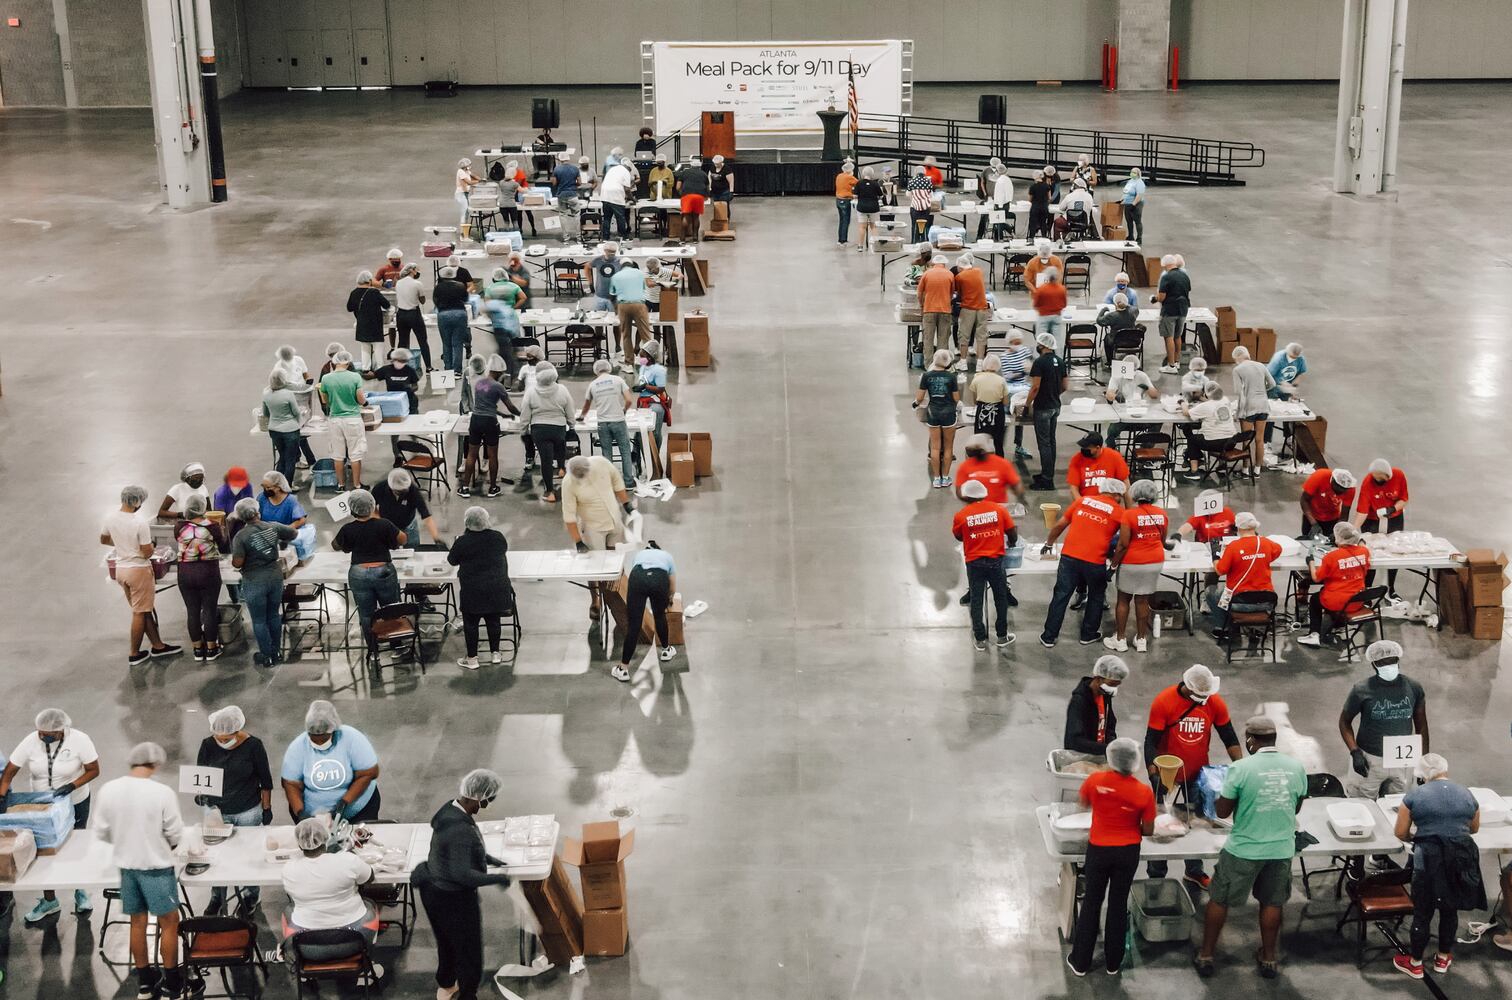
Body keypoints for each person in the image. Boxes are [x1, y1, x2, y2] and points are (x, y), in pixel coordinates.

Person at [1192, 716, 1308, 980]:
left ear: (1250, 741)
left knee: (1220, 899)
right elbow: (1297, 806)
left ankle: (1206, 955)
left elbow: (1222, 810)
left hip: (1244, 849)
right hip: (1280, 849)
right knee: (1272, 902)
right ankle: (1268, 958)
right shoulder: (1295, 767)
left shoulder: (1241, 768)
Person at [93, 742, 185, 1000]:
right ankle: (173, 984)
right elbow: (175, 832)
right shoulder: (162, 792)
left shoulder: (109, 790)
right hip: (156, 868)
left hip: (127, 868)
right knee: (169, 924)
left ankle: (145, 982)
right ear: (155, 764)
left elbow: (100, 829)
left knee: (137, 923)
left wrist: (125, 841)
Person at [413, 770, 510, 1000]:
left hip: (434, 892)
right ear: (475, 796)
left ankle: (446, 983)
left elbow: (459, 853)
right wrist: (499, 879)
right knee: (468, 950)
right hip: (453, 899)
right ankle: (468, 994)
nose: (486, 806)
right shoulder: (460, 829)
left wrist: (490, 859)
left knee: (446, 941)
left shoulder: (449, 810)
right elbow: (463, 875)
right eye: (486, 800)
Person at [1143, 664, 1243, 886]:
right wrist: (1154, 775)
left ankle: (1194, 871)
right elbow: (1150, 742)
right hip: (1167, 774)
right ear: (1188, 688)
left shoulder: (1213, 701)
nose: (1205, 699)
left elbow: (1230, 737)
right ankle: (1157, 874)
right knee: (1162, 825)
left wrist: (1243, 769)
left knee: (1198, 822)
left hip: (1198, 773)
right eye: (1201, 696)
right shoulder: (1164, 701)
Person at [0, 708, 100, 922]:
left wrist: (72, 785)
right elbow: (10, 770)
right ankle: (49, 900)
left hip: (75, 800)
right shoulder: (31, 741)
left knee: (75, 847)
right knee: (43, 850)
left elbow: (93, 769)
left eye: (47, 733)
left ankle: (80, 890)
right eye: (39, 732)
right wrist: (1, 795)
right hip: (43, 805)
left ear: (60, 731)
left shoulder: (80, 740)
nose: (41, 736)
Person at [1067, 737, 1155, 977]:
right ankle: (1113, 963)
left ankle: (1081, 962)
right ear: (1134, 763)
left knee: (1092, 903)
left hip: (1098, 850)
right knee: (1117, 904)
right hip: (1127, 853)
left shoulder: (1095, 781)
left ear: (1111, 758)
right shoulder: (1143, 792)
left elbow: (1082, 805)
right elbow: (1148, 830)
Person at [1391, 754, 1483, 979]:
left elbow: (1400, 832)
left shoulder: (1413, 796)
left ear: (1421, 777)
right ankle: (1443, 958)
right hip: (1461, 855)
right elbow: (1474, 828)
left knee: (1423, 912)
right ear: (1446, 771)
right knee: (1449, 909)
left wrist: (1420, 836)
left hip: (1429, 858)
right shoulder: (1467, 793)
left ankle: (1415, 963)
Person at [278, 817, 383, 983]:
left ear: (299, 844)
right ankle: (366, 968)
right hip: (355, 939)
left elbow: (293, 896)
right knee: (370, 905)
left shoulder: (289, 869)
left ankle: (299, 966)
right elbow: (369, 877)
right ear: (326, 838)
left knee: (289, 910)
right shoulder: (346, 860)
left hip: (307, 946)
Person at [195, 706, 273, 915]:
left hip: (247, 810)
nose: (221, 742)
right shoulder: (207, 745)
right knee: (216, 855)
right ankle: (216, 897)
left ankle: (250, 895)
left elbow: (265, 780)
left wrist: (266, 808)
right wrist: (201, 795)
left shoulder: (253, 746)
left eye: (226, 738)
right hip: (216, 812)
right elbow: (201, 777)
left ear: (237, 731)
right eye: (218, 738)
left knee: (249, 855)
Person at [1040, 479, 1126, 648]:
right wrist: (1113, 566)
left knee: (1061, 595)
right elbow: (1123, 543)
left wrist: (1049, 543)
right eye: (1120, 496)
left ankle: (1049, 636)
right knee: (1096, 596)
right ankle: (1088, 634)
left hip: (1069, 557)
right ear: (1116, 495)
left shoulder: (1081, 501)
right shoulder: (1119, 512)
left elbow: (1060, 525)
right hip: (1095, 561)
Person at [101, 485, 181, 665]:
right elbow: (146, 553)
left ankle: (158, 646)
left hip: (121, 570)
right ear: (137, 502)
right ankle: (134, 653)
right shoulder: (139, 522)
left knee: (144, 610)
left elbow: (104, 539)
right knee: (139, 612)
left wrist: (123, 545)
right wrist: (148, 547)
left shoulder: (110, 517)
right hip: (138, 571)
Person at [1339, 639, 1428, 798]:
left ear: (1398, 661)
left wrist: (1423, 762)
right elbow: (1344, 722)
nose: (1388, 667)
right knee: (1363, 801)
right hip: (1370, 759)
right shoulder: (1361, 690)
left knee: (1396, 802)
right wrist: (1355, 752)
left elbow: (1422, 727)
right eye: (1382, 663)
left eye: (1392, 662)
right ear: (1374, 665)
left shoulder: (1413, 687)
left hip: (1401, 759)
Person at [281, 701, 381, 823]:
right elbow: (290, 784)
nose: (319, 743)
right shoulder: (298, 747)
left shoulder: (352, 739)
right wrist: (301, 813)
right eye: (314, 738)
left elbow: (369, 773)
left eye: (324, 738)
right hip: (314, 816)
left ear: (333, 730)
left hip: (357, 810)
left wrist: (345, 802)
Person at [332, 489, 404, 655]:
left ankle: (373, 649)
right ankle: (396, 646)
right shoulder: (384, 524)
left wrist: (347, 535)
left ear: (351, 509)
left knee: (366, 614)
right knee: (391, 609)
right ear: (372, 506)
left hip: (358, 573)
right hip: (383, 571)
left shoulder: (347, 529)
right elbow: (403, 538)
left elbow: (335, 545)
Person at [230, 496, 297, 666]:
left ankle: (266, 655)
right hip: (274, 576)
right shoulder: (272, 526)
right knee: (274, 615)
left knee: (259, 620)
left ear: (240, 516)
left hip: (254, 579)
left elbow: (237, 562)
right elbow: (293, 533)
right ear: (257, 511)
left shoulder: (241, 536)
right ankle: (277, 652)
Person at [952, 479, 1018, 650]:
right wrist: (1011, 543)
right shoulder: (999, 510)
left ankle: (980, 639)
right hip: (996, 561)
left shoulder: (961, 515)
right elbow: (1012, 532)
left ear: (966, 497)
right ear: (984, 494)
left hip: (974, 562)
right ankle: (1002, 636)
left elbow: (959, 536)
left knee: (976, 599)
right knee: (1000, 598)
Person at [1105, 480, 1168, 653]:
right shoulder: (1162, 515)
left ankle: (1120, 639)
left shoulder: (1129, 515)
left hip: (1132, 562)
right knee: (1143, 600)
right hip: (1154, 562)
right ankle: (1141, 639)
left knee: (1123, 600)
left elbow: (1123, 544)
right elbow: (1162, 541)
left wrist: (1113, 566)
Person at [448, 507, 512, 670]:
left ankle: (472, 659)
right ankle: (495, 654)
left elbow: (452, 561)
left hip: (473, 591)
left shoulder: (462, 542)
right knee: (493, 621)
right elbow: (502, 550)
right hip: (496, 589)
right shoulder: (498, 537)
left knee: (471, 624)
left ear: (467, 523)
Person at [1297, 521, 1372, 649]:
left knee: (1316, 599)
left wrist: (1310, 562)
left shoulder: (1331, 557)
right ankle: (1337, 625)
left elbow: (1316, 578)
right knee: (1325, 592)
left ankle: (1314, 634)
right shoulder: (1363, 552)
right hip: (1357, 601)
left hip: (1336, 602)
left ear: (1337, 538)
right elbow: (1363, 546)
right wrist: (1361, 541)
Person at [1209, 512, 1282, 642]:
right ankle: (1254, 627)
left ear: (1238, 528)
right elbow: (1278, 550)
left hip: (1239, 602)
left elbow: (1220, 570)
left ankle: (1223, 628)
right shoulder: (1265, 543)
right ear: (1255, 527)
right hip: (1266, 602)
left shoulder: (1233, 547)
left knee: (1211, 591)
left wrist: (1215, 555)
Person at [458, 354, 519, 499]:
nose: (503, 375)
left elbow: (484, 405)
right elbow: (511, 407)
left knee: (471, 454)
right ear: (497, 372)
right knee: (492, 456)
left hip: (476, 421)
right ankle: (492, 488)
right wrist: (522, 415)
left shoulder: (480, 384)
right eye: (502, 373)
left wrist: (502, 415)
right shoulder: (498, 386)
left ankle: (465, 487)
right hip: (490, 423)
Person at [615, 543, 679, 681]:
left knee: (634, 625)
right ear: (659, 549)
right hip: (659, 578)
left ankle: (623, 668)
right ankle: (666, 650)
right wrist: (669, 599)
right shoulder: (667, 556)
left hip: (639, 577)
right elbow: (672, 587)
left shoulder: (639, 555)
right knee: (659, 616)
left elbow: (635, 574)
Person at [176, 494, 227, 662]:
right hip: (208, 572)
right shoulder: (212, 527)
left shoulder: (179, 527)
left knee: (192, 611)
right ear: (203, 508)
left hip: (185, 572)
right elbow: (223, 544)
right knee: (209, 610)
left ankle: (198, 649)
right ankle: (212, 648)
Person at [1352, 459, 1410, 595]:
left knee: (1394, 551)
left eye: (1382, 478)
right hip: (1372, 520)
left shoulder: (1399, 475)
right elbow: (1362, 512)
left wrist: (1393, 508)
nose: (1378, 480)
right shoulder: (1368, 483)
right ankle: (1367, 589)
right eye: (1376, 478)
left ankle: (1391, 588)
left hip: (1394, 517)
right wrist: (1353, 530)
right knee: (1370, 554)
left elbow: (1404, 499)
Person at [520, 364, 575, 504]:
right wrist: (571, 424)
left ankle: (549, 492)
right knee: (560, 446)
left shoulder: (531, 392)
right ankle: (561, 468)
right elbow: (570, 408)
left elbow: (525, 413)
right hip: (559, 427)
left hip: (540, 429)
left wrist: (524, 429)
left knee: (546, 460)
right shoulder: (562, 390)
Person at [318, 351, 369, 493]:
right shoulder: (355, 377)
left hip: (335, 420)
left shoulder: (326, 378)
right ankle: (357, 485)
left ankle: (340, 485)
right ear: (348, 362)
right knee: (355, 453)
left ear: (334, 362)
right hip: (352, 418)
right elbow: (360, 398)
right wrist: (365, 404)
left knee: (338, 455)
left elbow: (324, 400)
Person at [582, 358, 637, 487]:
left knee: (606, 453)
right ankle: (628, 481)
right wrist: (623, 410)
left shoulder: (593, 384)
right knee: (625, 451)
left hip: (603, 423)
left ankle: (610, 483)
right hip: (618, 420)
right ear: (609, 368)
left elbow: (586, 406)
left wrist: (581, 416)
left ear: (596, 370)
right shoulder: (618, 380)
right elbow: (629, 400)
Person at [1025, 333, 1068, 491]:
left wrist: (1027, 404)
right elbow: (1065, 386)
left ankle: (1047, 480)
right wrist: (1054, 394)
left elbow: (1035, 387)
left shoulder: (1039, 362)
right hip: (1055, 406)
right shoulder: (1061, 361)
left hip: (1042, 407)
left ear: (1042, 345)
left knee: (1044, 444)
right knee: (1051, 441)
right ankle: (1047, 472)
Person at [913, 349, 960, 489]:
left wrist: (915, 404)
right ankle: (945, 478)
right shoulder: (951, 377)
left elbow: (920, 398)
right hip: (949, 414)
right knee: (948, 447)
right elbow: (956, 398)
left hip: (933, 413)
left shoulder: (926, 376)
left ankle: (936, 478)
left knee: (935, 447)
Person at [1064, 656, 1128, 755]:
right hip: (1081, 757)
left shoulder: (1105, 695)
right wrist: (1107, 749)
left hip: (1099, 754)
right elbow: (1075, 741)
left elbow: (1110, 725)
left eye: (1117, 685)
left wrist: (1112, 744)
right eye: (1112, 684)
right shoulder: (1079, 701)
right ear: (1098, 678)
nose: (1114, 689)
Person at [1179, 381, 1237, 481]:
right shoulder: (1225, 400)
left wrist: (1182, 402)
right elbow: (1212, 403)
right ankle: (1221, 466)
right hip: (1231, 442)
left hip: (1215, 443)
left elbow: (1186, 412)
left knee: (1192, 439)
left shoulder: (1204, 407)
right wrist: (1201, 399)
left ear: (1205, 393)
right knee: (1217, 434)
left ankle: (1194, 471)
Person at [1230, 346, 1275, 470]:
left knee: (1246, 440)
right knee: (1259, 439)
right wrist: (1260, 390)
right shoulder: (1261, 365)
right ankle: (1257, 469)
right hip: (1263, 405)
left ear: (1237, 358)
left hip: (1248, 407)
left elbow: (1237, 390)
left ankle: (1245, 470)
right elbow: (1272, 384)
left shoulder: (1238, 369)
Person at [373, 468, 440, 547]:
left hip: (409, 528)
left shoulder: (413, 491)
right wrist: (380, 522)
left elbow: (426, 516)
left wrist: (436, 539)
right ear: (391, 488)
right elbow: (371, 508)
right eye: (399, 491)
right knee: (388, 552)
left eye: (405, 490)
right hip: (387, 528)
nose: (403, 493)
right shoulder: (380, 488)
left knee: (413, 551)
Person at [263, 371, 306, 483]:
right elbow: (296, 412)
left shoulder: (266, 394)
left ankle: (277, 483)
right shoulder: (288, 394)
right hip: (290, 430)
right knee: (290, 459)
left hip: (274, 430)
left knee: (282, 457)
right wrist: (298, 422)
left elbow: (265, 413)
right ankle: (288, 485)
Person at [611, 259, 653, 366]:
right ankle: (647, 362)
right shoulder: (640, 273)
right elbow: (643, 288)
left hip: (623, 305)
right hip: (639, 304)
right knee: (645, 334)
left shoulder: (617, 276)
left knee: (626, 335)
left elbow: (613, 292)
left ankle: (629, 362)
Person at [999, 331, 1035, 459]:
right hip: (1010, 390)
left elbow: (1033, 361)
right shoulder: (1004, 357)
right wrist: (1022, 372)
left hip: (1023, 389)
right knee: (1006, 420)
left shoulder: (1024, 351)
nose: (1018, 345)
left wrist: (1031, 367)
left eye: (1020, 342)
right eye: (1015, 343)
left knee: (1020, 418)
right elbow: (1007, 376)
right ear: (1009, 343)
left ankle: (1018, 445)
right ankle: (999, 448)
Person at [346, 271, 391, 370]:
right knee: (378, 348)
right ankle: (379, 369)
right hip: (375, 325)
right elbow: (387, 305)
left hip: (361, 325)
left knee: (365, 348)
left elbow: (349, 308)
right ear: (369, 281)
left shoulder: (354, 293)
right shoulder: (374, 292)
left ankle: (366, 369)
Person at [954, 252, 992, 369]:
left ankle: (963, 362)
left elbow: (958, 293)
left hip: (968, 308)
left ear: (960, 267)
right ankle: (980, 363)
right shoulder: (978, 271)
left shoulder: (959, 277)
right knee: (981, 336)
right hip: (982, 308)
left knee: (964, 335)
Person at [1153, 254, 1190, 373]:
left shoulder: (1166, 277)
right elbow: (1187, 290)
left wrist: (1154, 298)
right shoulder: (1184, 275)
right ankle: (1177, 362)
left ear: (1165, 265)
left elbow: (1162, 297)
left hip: (1170, 310)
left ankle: (1171, 365)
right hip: (1183, 309)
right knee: (1178, 336)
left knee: (1168, 337)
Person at [1067, 432, 1130, 501]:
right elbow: (1074, 489)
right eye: (1083, 447)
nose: (1083, 449)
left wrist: (1129, 510)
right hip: (1086, 503)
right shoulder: (1077, 459)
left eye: (1087, 447)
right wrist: (1082, 505)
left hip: (1108, 504)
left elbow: (1125, 483)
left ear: (1097, 448)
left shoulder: (1114, 457)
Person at [967, 359, 1010, 456]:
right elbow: (1006, 401)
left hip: (982, 411)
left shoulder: (977, 379)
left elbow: (974, 401)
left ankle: (980, 465)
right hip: (998, 412)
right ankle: (998, 465)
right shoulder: (1001, 380)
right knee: (998, 443)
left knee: (979, 442)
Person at [915, 253, 954, 360]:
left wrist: (922, 305)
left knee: (928, 339)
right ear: (944, 264)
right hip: (945, 310)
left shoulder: (926, 274)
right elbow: (951, 293)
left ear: (933, 264)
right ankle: (942, 364)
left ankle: (929, 366)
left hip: (929, 310)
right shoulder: (950, 274)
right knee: (943, 340)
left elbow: (919, 293)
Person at [434, 265, 472, 374]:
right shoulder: (460, 286)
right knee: (457, 343)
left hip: (443, 314)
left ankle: (448, 369)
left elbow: (435, 301)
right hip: (459, 314)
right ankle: (457, 371)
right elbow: (466, 299)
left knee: (446, 343)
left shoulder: (438, 287)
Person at [393, 263, 431, 371]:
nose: (418, 272)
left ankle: (400, 366)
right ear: (412, 271)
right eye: (416, 270)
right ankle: (428, 367)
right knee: (422, 340)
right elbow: (422, 301)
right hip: (413, 314)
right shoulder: (417, 283)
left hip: (401, 314)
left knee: (402, 341)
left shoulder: (398, 283)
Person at [634, 340, 672, 446]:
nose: (639, 359)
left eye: (642, 357)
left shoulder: (658, 370)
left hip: (655, 404)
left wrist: (645, 386)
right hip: (644, 402)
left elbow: (660, 389)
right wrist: (639, 388)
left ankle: (655, 457)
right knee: (639, 431)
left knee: (655, 432)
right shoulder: (644, 368)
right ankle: (637, 454)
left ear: (650, 358)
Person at [1299, 466, 1356, 537]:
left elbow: (1344, 515)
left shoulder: (1350, 489)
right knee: (1307, 540)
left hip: (1332, 518)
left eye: (1343, 490)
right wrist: (1313, 523)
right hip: (1312, 516)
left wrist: (1337, 532)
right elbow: (1304, 500)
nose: (1339, 492)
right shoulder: (1319, 476)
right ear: (1332, 481)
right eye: (1338, 490)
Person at [1095, 293, 1140, 367]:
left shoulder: (1112, 316)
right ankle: (1131, 353)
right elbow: (1134, 308)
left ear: (1115, 304)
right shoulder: (1133, 312)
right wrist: (1125, 304)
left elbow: (1099, 321)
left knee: (1107, 338)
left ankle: (1110, 361)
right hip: (1133, 341)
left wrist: (1103, 310)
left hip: (1117, 342)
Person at [599, 158, 635, 239]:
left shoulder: (612, 169)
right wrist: (633, 199)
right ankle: (623, 237)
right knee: (620, 218)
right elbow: (627, 189)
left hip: (605, 196)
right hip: (615, 198)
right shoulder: (626, 172)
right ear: (628, 167)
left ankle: (605, 237)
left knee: (607, 218)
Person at [675, 156, 709, 241]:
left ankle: (682, 238)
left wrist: (682, 194)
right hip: (699, 196)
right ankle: (695, 238)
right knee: (696, 217)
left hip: (687, 196)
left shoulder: (684, 172)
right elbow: (707, 188)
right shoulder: (704, 174)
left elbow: (678, 187)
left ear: (691, 165)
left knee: (686, 217)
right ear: (699, 166)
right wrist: (706, 197)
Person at [550, 152, 582, 241]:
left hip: (561, 195)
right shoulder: (575, 169)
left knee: (563, 215)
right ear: (568, 159)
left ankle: (566, 237)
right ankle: (578, 237)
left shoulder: (557, 169)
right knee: (576, 215)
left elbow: (554, 183)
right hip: (573, 194)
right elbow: (579, 182)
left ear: (560, 159)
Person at [853, 166, 883, 252]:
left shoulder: (859, 183)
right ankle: (876, 246)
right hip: (874, 208)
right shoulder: (875, 183)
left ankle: (860, 246)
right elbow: (880, 195)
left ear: (863, 174)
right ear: (872, 174)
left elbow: (855, 196)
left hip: (862, 207)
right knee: (873, 227)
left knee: (862, 227)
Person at [905, 164, 934, 242]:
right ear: (924, 172)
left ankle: (915, 242)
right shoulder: (928, 181)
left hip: (914, 208)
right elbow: (931, 196)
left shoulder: (912, 181)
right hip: (926, 208)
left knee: (915, 226)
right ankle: (925, 242)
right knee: (925, 226)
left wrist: (914, 198)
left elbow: (907, 194)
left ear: (915, 172)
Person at [833, 161, 856, 246]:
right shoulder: (849, 177)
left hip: (838, 200)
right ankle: (843, 240)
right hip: (846, 201)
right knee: (846, 220)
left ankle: (840, 239)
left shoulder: (839, 176)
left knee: (842, 220)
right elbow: (858, 183)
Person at [455, 158, 481, 231]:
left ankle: (465, 231)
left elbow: (474, 176)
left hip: (465, 193)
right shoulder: (461, 172)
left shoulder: (467, 171)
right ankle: (463, 233)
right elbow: (468, 182)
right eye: (469, 165)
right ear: (465, 165)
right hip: (461, 194)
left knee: (466, 213)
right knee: (464, 213)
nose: (470, 166)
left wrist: (481, 179)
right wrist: (478, 182)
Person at [1027, 169, 1053, 239]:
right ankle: (1044, 237)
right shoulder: (1047, 186)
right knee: (1043, 223)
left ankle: (1031, 238)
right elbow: (1049, 198)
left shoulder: (1032, 187)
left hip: (1035, 208)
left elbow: (1029, 199)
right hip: (1044, 207)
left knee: (1033, 224)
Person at [1121, 167, 1145, 243]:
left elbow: (1139, 195)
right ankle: (1131, 235)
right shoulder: (1130, 181)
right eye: (1131, 172)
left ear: (1138, 174)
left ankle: (1139, 238)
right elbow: (1126, 192)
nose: (1132, 174)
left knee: (1137, 221)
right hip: (1127, 203)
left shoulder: (1139, 183)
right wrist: (1122, 199)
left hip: (1136, 204)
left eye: (1134, 172)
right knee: (1129, 221)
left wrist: (1133, 204)